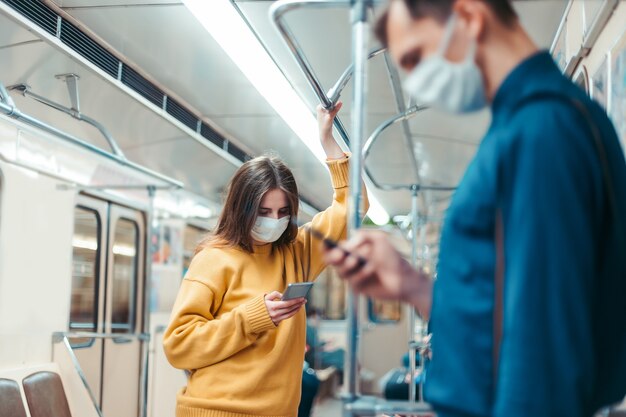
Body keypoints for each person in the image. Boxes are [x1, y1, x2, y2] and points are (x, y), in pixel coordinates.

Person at [324, 1, 626, 417]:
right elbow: (500, 311)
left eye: (414, 57)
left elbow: (542, 351)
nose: (415, 80)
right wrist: (414, 287)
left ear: (468, 15)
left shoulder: (540, 132)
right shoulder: (526, 127)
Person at [163, 101, 367, 417]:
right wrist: (253, 317)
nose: (274, 220)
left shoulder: (299, 251)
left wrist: (328, 142)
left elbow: (352, 208)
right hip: (216, 411)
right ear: (241, 208)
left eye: (283, 212)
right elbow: (179, 345)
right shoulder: (214, 259)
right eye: (264, 212)